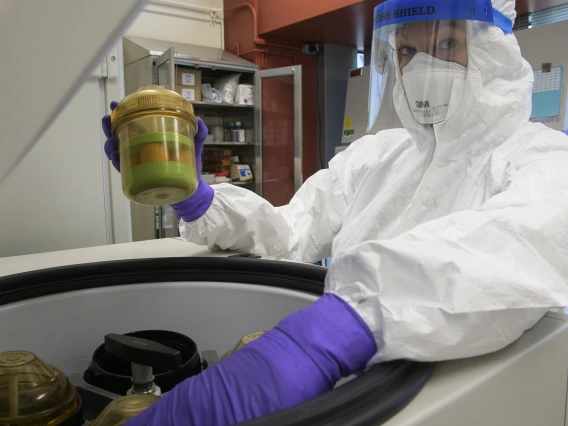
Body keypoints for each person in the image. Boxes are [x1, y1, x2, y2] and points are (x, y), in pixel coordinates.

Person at [102, 0, 568, 424]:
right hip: (353, 397)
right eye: (406, 52)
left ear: (494, 51)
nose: (423, 67)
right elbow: (290, 232)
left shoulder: (543, 159)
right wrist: (196, 197)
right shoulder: (377, 156)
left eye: (447, 43)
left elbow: (519, 244)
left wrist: (339, 329)